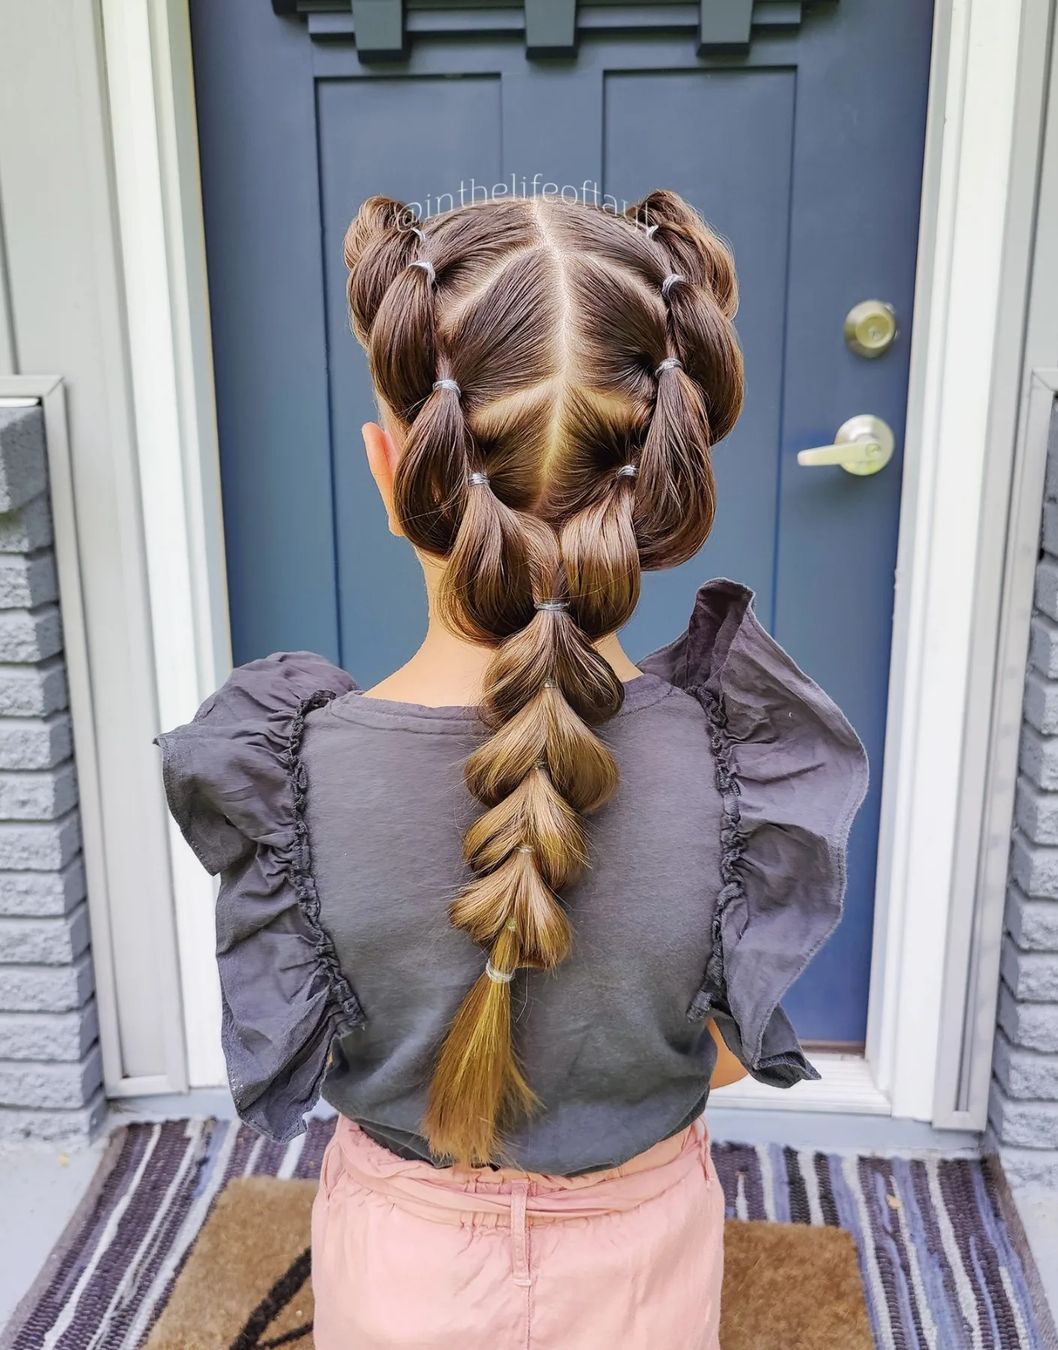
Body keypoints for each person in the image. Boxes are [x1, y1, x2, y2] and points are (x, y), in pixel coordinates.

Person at [155, 189, 868, 1349]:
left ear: (395, 473)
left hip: (401, 1263)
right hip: (642, 1261)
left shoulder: (288, 774)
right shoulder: (741, 767)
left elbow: (301, 1039)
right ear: (665, 486)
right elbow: (729, 1059)